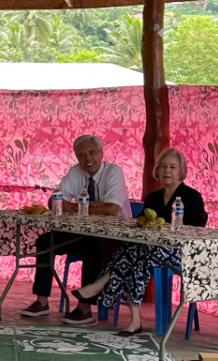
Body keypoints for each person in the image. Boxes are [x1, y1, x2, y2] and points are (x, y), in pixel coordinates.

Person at [73, 148, 208, 336]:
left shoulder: (192, 197)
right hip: (150, 251)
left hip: (181, 252)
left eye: (172, 167)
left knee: (136, 253)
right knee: (137, 255)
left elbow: (197, 229)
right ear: (158, 171)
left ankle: (102, 286)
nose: (167, 171)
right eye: (163, 166)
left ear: (181, 171)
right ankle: (133, 320)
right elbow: (140, 223)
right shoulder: (153, 198)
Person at [20, 134, 131, 325]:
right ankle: (42, 301)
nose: (87, 159)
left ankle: (84, 309)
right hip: (83, 232)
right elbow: (53, 202)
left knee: (91, 244)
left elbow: (112, 209)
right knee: (45, 241)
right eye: (81, 155)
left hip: (115, 237)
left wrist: (74, 205)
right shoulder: (76, 172)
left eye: (91, 152)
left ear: (101, 153)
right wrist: (88, 205)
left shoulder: (114, 172)